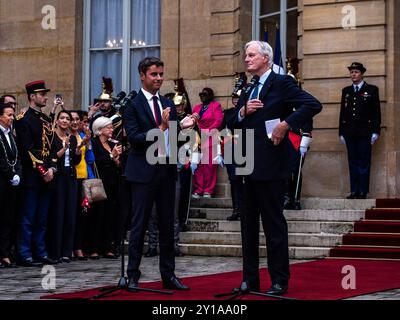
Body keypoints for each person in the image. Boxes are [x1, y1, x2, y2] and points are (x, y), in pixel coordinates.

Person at [226, 41, 322, 295]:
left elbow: (313, 104)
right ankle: (250, 280)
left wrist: (286, 124)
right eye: (245, 55)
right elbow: (231, 122)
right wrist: (242, 111)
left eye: (251, 55)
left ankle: (279, 280)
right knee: (247, 227)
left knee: (273, 226)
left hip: (271, 166)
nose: (246, 59)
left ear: (266, 58)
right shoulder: (247, 89)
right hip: (246, 165)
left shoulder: (281, 83)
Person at [124, 57, 189, 291]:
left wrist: (182, 128)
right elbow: (135, 139)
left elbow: (172, 139)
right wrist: (161, 128)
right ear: (142, 75)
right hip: (142, 173)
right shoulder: (132, 105)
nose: (159, 78)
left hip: (166, 171)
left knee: (168, 225)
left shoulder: (166, 103)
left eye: (161, 74)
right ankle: (132, 275)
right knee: (139, 225)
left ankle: (168, 275)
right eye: (154, 74)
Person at [15, 80, 59, 266]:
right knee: (28, 217)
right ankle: (25, 254)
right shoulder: (23, 119)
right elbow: (28, 149)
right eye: (42, 94)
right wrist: (43, 171)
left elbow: (50, 147)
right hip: (33, 175)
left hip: (46, 175)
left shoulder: (46, 120)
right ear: (32, 96)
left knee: (41, 218)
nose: (45, 97)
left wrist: (52, 168)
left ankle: (40, 251)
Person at [339, 62, 381, 199]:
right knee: (352, 161)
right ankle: (354, 190)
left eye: (356, 72)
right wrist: (341, 132)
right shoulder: (346, 91)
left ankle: (363, 191)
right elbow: (342, 112)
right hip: (350, 132)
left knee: (364, 161)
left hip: (365, 132)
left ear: (361, 74)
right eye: (351, 72)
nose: (353, 74)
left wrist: (375, 131)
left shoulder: (372, 90)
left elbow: (376, 112)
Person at [47, 110, 82, 263]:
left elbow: (75, 161)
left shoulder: (72, 138)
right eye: (62, 118)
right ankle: (55, 251)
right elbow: (52, 157)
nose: (65, 121)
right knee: (58, 214)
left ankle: (67, 251)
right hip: (58, 177)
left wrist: (77, 150)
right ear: (57, 120)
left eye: (67, 118)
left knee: (70, 214)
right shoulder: (52, 137)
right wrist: (64, 148)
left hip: (71, 177)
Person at [87, 116, 122, 259]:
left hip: (113, 183)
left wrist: (116, 159)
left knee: (110, 215)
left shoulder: (112, 144)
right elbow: (95, 162)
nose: (112, 129)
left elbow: (118, 164)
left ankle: (108, 246)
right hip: (99, 184)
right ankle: (94, 248)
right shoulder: (94, 143)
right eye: (108, 127)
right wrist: (110, 156)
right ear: (100, 130)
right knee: (98, 215)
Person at [192, 87, 224, 199]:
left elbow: (218, 120)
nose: (202, 96)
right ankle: (198, 189)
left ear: (211, 96)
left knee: (209, 166)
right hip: (198, 139)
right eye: (201, 94)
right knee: (198, 165)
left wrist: (207, 131)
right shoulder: (197, 107)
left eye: (205, 94)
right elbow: (193, 122)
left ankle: (208, 190)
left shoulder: (216, 106)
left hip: (210, 138)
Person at [70, 110, 94, 260]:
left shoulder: (82, 136)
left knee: (83, 214)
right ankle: (70, 246)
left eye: (77, 119)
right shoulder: (66, 136)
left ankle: (79, 246)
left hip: (84, 179)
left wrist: (89, 142)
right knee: (71, 214)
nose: (74, 122)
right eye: (71, 119)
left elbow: (90, 159)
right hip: (72, 178)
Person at [0, 103, 21, 268]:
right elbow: (1, 160)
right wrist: (10, 174)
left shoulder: (11, 135)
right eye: (9, 115)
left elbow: (17, 157)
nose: (11, 118)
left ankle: (5, 253)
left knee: (9, 218)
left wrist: (18, 174)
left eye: (13, 115)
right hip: (2, 180)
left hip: (12, 183)